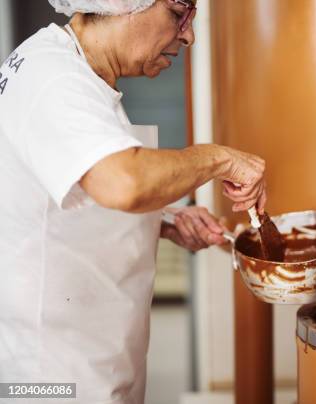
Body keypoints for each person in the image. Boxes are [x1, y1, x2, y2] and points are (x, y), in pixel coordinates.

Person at [0, 1, 266, 402]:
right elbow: (123, 181)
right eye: (178, 13)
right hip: (55, 379)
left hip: (92, 359)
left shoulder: (75, 71)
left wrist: (164, 219)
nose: (189, 35)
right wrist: (219, 158)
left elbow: (67, 187)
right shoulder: (54, 78)